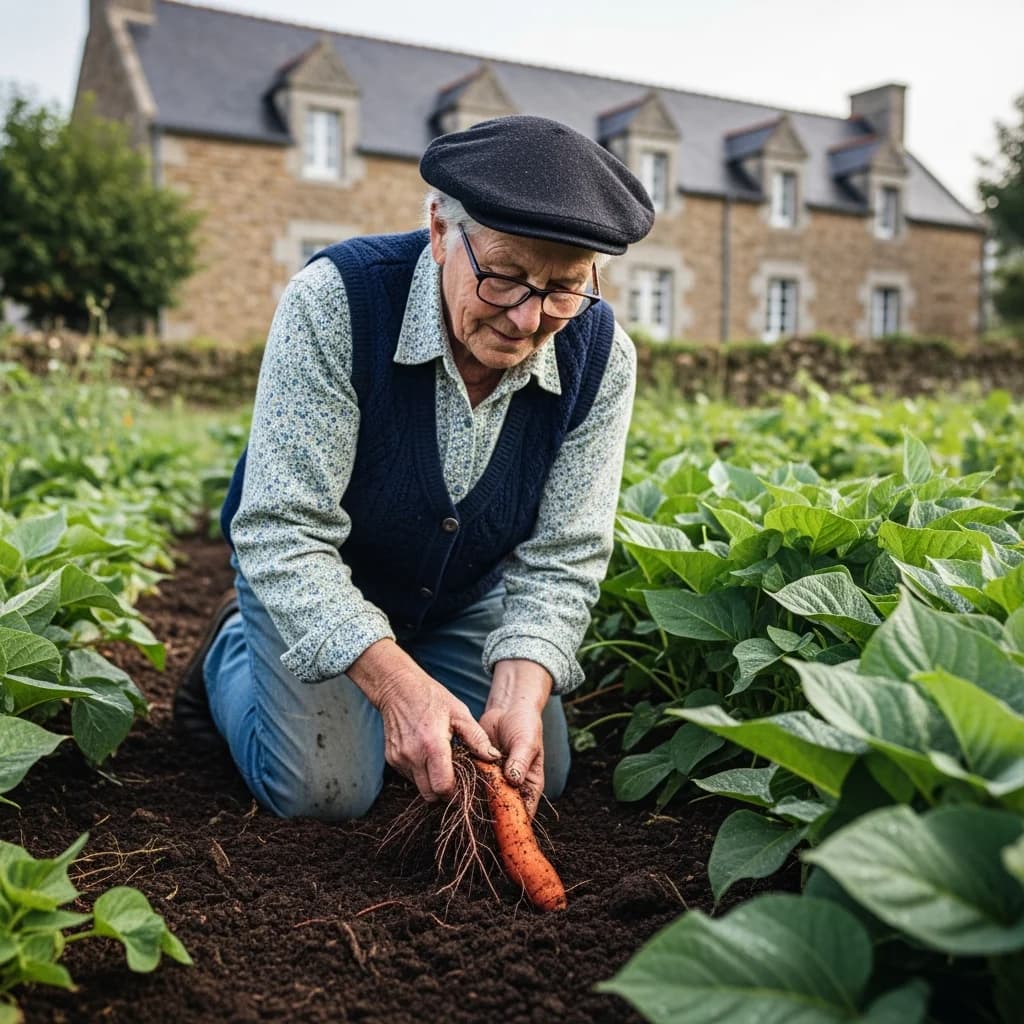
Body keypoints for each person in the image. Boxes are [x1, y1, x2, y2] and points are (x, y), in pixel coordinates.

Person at [174, 114, 655, 821]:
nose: (528, 318)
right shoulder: (339, 302)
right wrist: (396, 686)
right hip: (315, 575)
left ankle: (415, 670)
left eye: (563, 288)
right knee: (327, 792)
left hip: (457, 598)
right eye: (505, 277)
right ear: (439, 232)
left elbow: (565, 553)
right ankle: (233, 651)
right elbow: (282, 528)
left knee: (531, 775)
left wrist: (523, 687)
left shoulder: (601, 357)